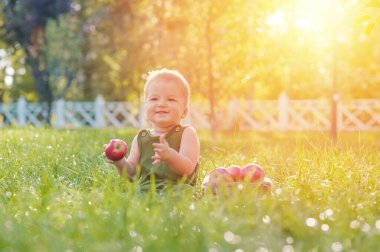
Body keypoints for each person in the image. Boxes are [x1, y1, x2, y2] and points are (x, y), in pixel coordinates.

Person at [104, 68, 200, 190]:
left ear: (184, 111)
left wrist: (171, 156)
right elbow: (132, 175)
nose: (161, 104)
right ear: (145, 109)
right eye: (154, 99)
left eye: (171, 99)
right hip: (147, 192)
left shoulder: (187, 133)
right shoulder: (141, 139)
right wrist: (119, 161)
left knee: (183, 193)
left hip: (179, 189)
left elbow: (188, 168)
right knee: (133, 200)